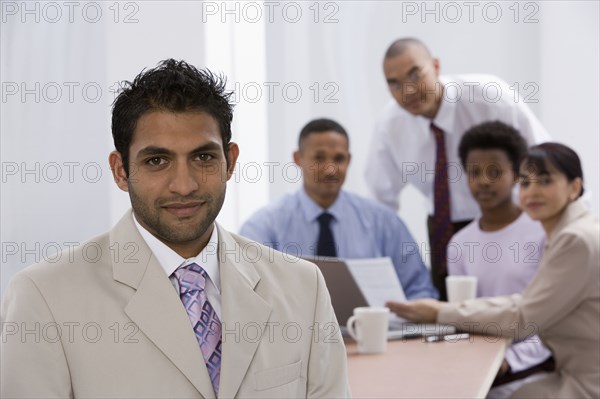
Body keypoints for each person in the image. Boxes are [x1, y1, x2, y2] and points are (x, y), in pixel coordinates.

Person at [1, 60, 350, 398]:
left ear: (230, 161)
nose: (184, 186)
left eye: (203, 158)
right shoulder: (43, 298)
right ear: (121, 170)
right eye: (157, 161)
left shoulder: (303, 287)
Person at [386, 143, 599, 398]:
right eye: (526, 183)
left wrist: (440, 312)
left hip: (585, 380)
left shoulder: (575, 239)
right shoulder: (571, 232)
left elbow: (523, 317)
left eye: (545, 181)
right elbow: (527, 301)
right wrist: (443, 311)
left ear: (574, 188)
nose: (532, 192)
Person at [365, 37, 550, 299]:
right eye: (394, 84)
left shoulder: (491, 97)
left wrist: (564, 225)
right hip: (443, 230)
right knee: (451, 313)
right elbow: (381, 201)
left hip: (510, 220)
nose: (407, 91)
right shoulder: (390, 125)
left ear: (437, 66)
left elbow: (544, 161)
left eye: (415, 75)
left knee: (516, 302)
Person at [240, 118, 437, 300]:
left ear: (349, 160)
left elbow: (419, 291)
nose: (330, 169)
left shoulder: (384, 223)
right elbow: (247, 294)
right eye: (319, 158)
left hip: (374, 334)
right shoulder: (264, 226)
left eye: (339, 159)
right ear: (298, 158)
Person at [449, 121, 552, 397]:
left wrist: (509, 361)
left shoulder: (543, 233)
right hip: (476, 368)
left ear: (517, 174)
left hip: (531, 370)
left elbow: (553, 320)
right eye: (474, 172)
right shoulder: (459, 245)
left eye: (494, 172)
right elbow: (462, 316)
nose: (483, 181)